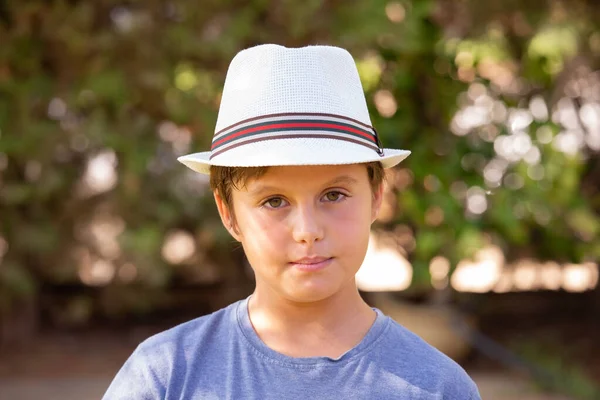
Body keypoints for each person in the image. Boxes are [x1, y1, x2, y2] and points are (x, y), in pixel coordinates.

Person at [103, 44, 481, 400]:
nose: (307, 231)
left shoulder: (436, 387)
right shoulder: (166, 377)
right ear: (228, 213)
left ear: (377, 196)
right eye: (274, 201)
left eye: (334, 195)